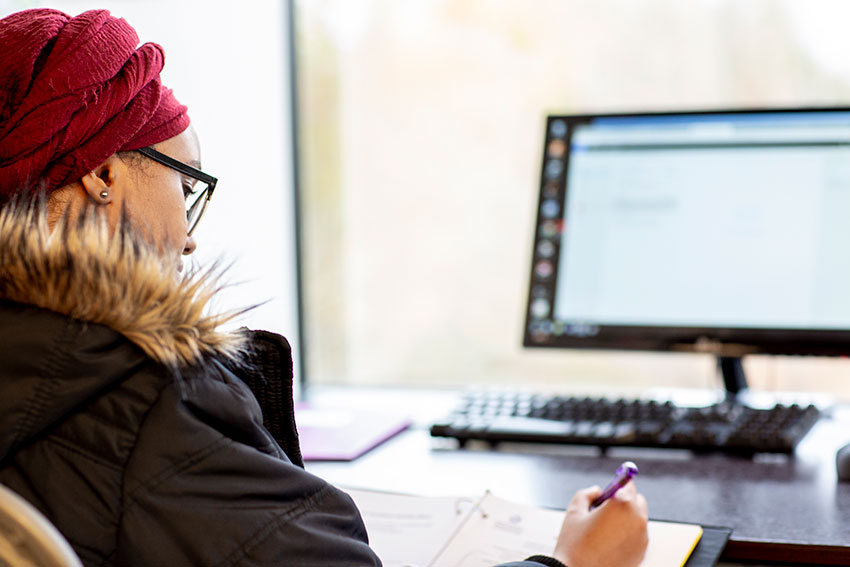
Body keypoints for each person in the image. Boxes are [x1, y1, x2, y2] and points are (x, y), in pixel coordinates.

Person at [0, 8, 648, 567]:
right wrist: (568, 560)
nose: (191, 237)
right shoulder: (145, 396)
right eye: (187, 185)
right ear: (103, 175)